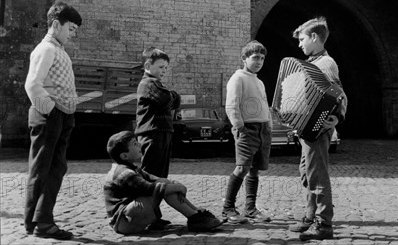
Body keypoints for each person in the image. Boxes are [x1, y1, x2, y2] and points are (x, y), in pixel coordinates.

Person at [24, 1, 83, 240]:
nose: (73, 34)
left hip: (61, 115)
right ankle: (42, 222)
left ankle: (37, 219)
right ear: (56, 24)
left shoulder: (58, 50)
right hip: (51, 115)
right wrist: (51, 110)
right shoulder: (46, 49)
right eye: (71, 29)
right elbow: (32, 84)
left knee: (54, 168)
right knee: (44, 169)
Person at [289, 17, 347, 241]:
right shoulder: (313, 62)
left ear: (315, 37)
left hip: (317, 128)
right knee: (306, 173)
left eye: (302, 39)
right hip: (306, 128)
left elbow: (339, 93)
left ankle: (324, 223)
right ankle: (310, 214)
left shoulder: (326, 63)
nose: (299, 44)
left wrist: (336, 117)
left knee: (317, 174)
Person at [103, 130, 222, 234]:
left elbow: (152, 178)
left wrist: (173, 183)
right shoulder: (124, 173)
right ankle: (194, 218)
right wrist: (178, 187)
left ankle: (196, 212)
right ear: (124, 155)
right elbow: (150, 188)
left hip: (130, 217)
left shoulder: (131, 167)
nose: (139, 145)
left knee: (167, 184)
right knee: (163, 188)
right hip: (123, 221)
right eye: (134, 144)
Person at [223, 40, 272, 224]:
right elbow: (232, 105)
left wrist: (268, 125)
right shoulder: (238, 78)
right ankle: (228, 208)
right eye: (255, 58)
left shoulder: (259, 81)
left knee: (255, 170)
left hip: (262, 130)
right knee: (242, 167)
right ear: (244, 58)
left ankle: (250, 208)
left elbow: (264, 104)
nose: (259, 62)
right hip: (247, 129)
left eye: (262, 58)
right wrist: (239, 126)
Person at [134, 47, 180, 228]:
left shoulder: (156, 84)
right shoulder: (148, 84)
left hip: (162, 133)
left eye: (166, 68)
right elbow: (166, 100)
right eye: (161, 67)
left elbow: (172, 100)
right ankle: (145, 215)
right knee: (150, 176)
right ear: (148, 65)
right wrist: (173, 95)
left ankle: (153, 214)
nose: (164, 71)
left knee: (160, 177)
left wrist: (172, 97)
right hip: (152, 134)